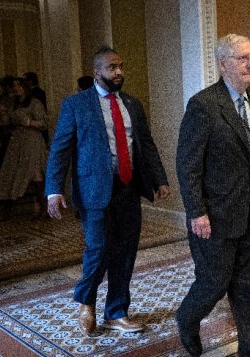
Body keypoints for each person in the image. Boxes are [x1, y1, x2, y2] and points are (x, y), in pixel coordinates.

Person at [176, 34, 250, 357]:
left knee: (248, 286)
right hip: (216, 216)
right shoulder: (204, 105)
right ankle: (187, 316)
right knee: (214, 283)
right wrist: (197, 211)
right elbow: (188, 165)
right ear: (223, 64)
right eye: (242, 59)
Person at [45, 46, 170, 336]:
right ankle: (86, 299)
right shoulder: (76, 104)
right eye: (112, 68)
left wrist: (159, 179)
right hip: (94, 190)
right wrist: (53, 190)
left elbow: (146, 145)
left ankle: (116, 312)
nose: (119, 72)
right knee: (98, 249)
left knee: (125, 252)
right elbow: (60, 150)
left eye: (121, 66)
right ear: (96, 72)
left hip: (127, 188)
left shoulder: (132, 103)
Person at [0, 78, 48, 218]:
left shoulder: (34, 103)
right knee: (12, 171)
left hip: (31, 140)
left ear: (25, 87)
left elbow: (44, 123)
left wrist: (28, 122)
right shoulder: (14, 105)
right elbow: (6, 123)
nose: (16, 88)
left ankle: (44, 206)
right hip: (17, 141)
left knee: (34, 172)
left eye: (19, 85)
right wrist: (3, 115)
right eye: (13, 86)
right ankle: (8, 206)